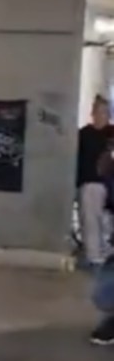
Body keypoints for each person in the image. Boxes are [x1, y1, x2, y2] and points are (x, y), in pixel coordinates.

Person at [76, 94, 114, 267]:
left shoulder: (111, 133)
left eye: (106, 112)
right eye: (100, 112)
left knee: (104, 220)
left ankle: (102, 248)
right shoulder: (84, 134)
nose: (103, 116)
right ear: (93, 113)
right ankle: (94, 253)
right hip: (91, 181)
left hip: (108, 184)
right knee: (91, 219)